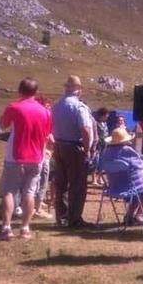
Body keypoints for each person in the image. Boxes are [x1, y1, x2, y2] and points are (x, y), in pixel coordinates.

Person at [0, 78, 52, 241]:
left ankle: (6, 228)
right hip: (37, 156)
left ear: (20, 90)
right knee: (29, 192)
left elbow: (3, 125)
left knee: (9, 191)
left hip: (16, 155)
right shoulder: (45, 111)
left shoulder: (14, 107)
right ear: (35, 92)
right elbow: (47, 133)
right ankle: (25, 228)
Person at [51, 75, 92, 228]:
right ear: (78, 90)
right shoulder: (78, 107)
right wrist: (87, 150)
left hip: (59, 145)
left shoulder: (57, 106)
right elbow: (85, 130)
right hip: (74, 147)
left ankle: (61, 216)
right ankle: (74, 218)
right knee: (77, 184)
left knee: (61, 183)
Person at [98, 127, 143, 224]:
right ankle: (140, 215)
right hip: (130, 187)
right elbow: (140, 165)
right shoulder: (127, 151)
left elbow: (98, 166)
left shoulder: (105, 153)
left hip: (113, 187)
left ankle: (129, 216)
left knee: (135, 192)